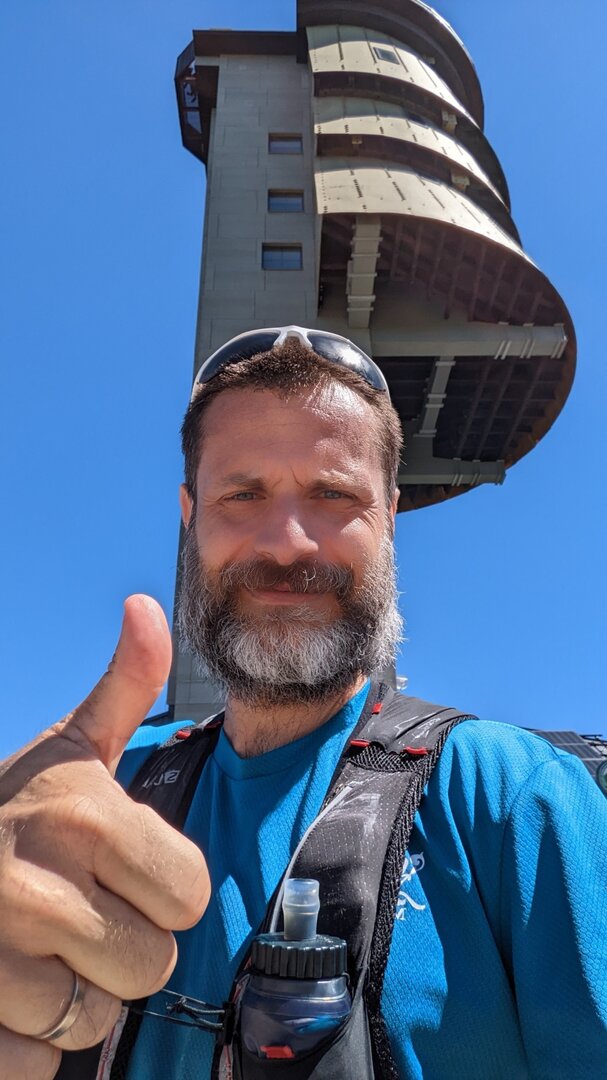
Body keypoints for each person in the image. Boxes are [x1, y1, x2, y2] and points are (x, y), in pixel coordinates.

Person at [0, 326, 605, 1080]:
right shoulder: (99, 787)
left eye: (333, 495)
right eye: (242, 494)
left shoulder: (511, 796)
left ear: (389, 517)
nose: (287, 544)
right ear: (190, 514)